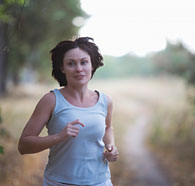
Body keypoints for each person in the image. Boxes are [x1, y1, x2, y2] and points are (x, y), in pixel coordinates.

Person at [18, 37, 119, 186]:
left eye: (84, 62)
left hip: (101, 182)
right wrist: (59, 137)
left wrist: (111, 146)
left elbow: (108, 127)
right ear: (62, 68)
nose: (79, 68)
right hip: (59, 183)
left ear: (92, 65)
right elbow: (24, 145)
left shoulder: (105, 101)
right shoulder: (51, 100)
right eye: (71, 64)